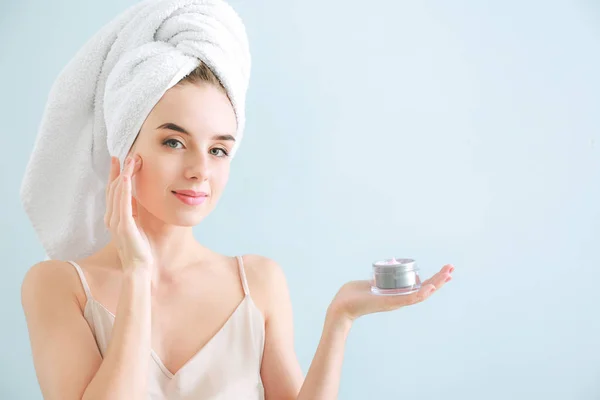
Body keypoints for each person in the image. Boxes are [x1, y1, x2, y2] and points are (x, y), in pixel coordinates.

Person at [20, 2, 454, 400]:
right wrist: (136, 271)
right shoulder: (57, 286)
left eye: (218, 150)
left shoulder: (259, 282)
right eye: (174, 142)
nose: (199, 170)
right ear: (124, 150)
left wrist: (340, 318)